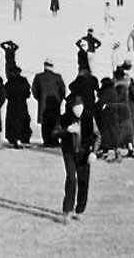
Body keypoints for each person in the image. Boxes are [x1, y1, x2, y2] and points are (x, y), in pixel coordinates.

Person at [54, 94, 97, 224]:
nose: (78, 109)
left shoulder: (89, 118)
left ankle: (80, 210)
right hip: (69, 153)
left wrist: (94, 152)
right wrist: (67, 131)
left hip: (84, 153)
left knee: (83, 181)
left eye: (80, 106)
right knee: (72, 178)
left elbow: (97, 135)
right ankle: (67, 210)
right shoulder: (64, 118)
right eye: (75, 107)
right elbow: (54, 133)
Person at [31, 59, 66, 147]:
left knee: (45, 124)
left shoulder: (39, 77)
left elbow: (34, 90)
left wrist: (39, 99)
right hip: (55, 104)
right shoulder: (57, 77)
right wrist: (59, 100)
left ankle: (47, 141)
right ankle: (54, 140)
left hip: (43, 104)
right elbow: (63, 90)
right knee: (54, 122)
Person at [4, 66, 32, 149]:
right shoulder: (24, 81)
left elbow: (5, 94)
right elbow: (28, 94)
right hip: (22, 105)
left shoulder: (9, 83)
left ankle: (13, 138)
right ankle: (24, 137)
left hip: (12, 105)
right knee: (23, 121)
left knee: (12, 122)